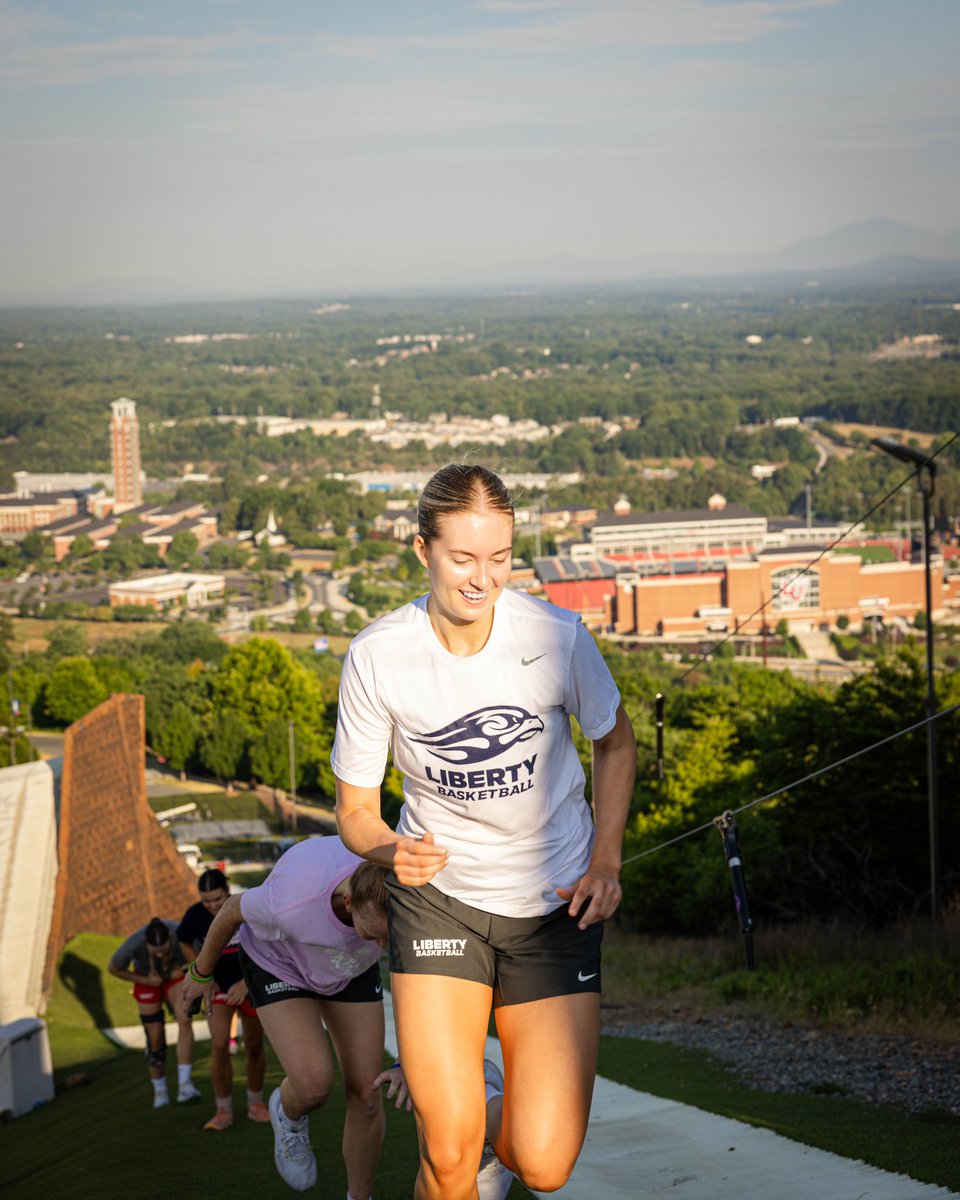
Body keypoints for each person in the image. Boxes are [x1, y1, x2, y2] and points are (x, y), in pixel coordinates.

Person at [332, 462, 637, 1200]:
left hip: (553, 904)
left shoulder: (556, 635)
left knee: (544, 1164)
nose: (482, 578)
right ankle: (467, 1127)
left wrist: (606, 862)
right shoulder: (378, 655)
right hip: (440, 902)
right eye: (462, 558)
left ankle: (491, 1106)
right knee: (447, 1151)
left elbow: (616, 742)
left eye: (499, 558)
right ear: (421, 550)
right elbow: (354, 810)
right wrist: (387, 847)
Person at [180, 835, 410, 1200]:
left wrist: (404, 1060)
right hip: (279, 964)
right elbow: (232, 910)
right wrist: (201, 972)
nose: (384, 946)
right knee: (314, 1084)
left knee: (367, 1093)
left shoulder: (404, 896)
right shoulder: (293, 900)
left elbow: (412, 983)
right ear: (348, 902)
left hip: (348, 967)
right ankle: (286, 1115)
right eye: (377, 936)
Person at [177, 867, 269, 1130]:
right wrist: (200, 972)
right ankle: (224, 1110)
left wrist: (246, 983)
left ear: (228, 891)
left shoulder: (244, 905)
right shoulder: (195, 915)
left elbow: (267, 942)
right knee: (219, 1046)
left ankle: (255, 1104)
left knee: (253, 1045)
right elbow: (183, 940)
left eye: (218, 899)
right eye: (206, 901)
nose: (213, 905)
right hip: (216, 988)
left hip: (249, 983)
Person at [107, 916, 201, 1108]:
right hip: (147, 979)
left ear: (170, 940)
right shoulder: (135, 942)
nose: (160, 955)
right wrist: (146, 981)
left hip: (175, 976)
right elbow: (114, 968)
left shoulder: (180, 932)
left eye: (164, 950)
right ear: (146, 944)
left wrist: (183, 970)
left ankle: (185, 1084)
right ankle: (160, 1090)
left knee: (185, 1019)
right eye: (155, 952)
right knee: (155, 1037)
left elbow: (202, 955)